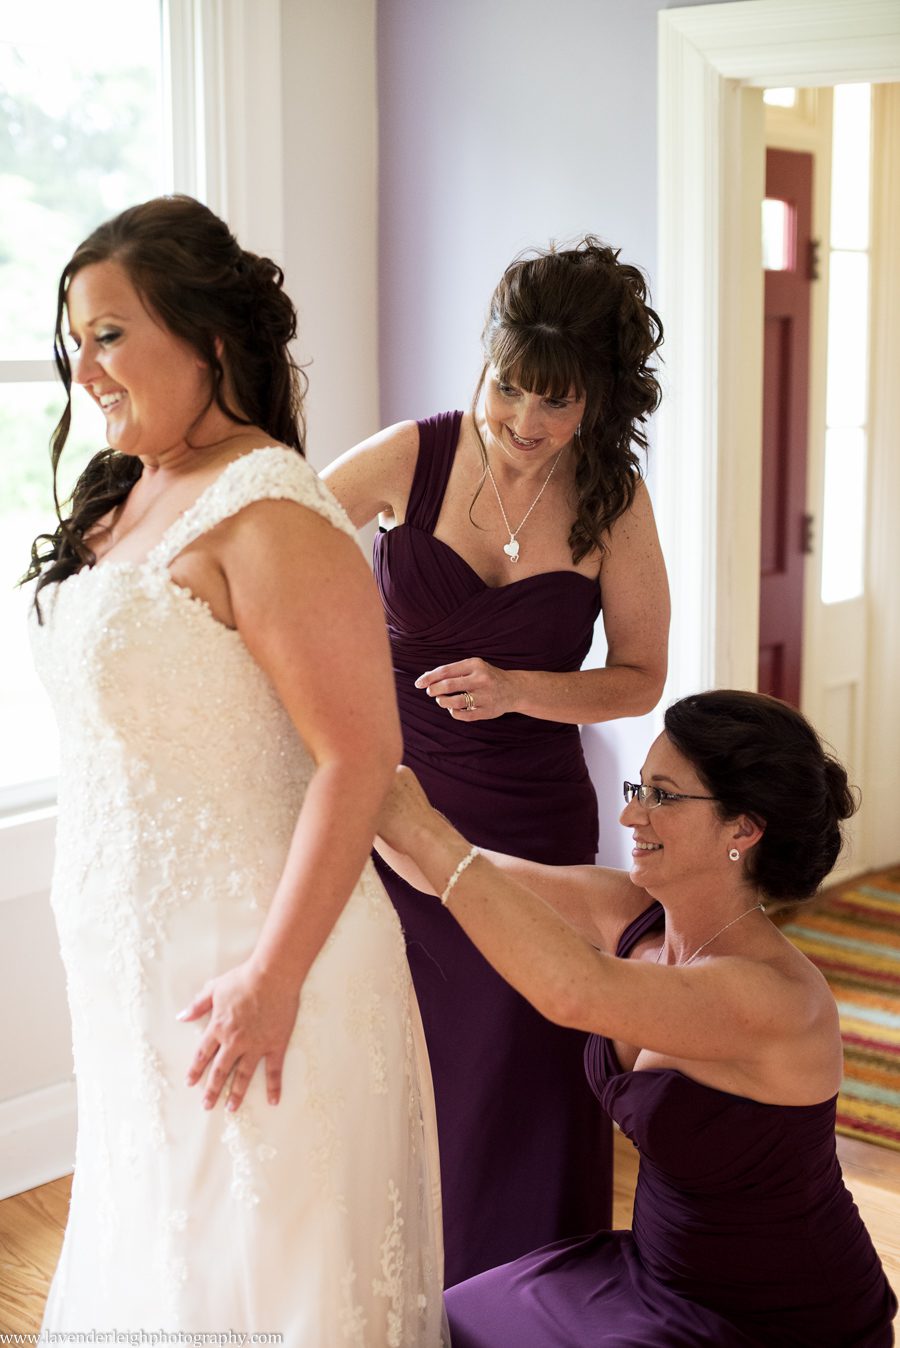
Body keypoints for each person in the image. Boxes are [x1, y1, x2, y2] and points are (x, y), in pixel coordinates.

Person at [24, 195, 446, 1342]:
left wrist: (272, 975)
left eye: (110, 332)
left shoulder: (271, 511)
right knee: (172, 1257)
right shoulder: (127, 489)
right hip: (134, 967)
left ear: (208, 336)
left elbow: (361, 756)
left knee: (262, 1274)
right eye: (76, 338)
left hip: (261, 967)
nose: (85, 365)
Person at [323, 237, 670, 1285]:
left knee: (522, 1061)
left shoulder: (615, 502)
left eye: (554, 405)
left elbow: (642, 675)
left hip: (535, 823)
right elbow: (275, 557)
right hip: (397, 812)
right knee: (412, 1056)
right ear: (486, 358)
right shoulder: (407, 457)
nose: (522, 422)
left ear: (597, 405)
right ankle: (400, 1282)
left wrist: (522, 689)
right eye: (508, 385)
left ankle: (520, 1287)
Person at [376, 689, 898, 1347]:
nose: (629, 814)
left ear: (743, 828)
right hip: (651, 1274)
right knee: (439, 1323)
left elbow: (574, 992)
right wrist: (360, 785)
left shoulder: (772, 997)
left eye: (662, 795)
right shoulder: (629, 913)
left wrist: (428, 830)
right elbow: (457, 878)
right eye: (637, 787)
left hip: (774, 1316)